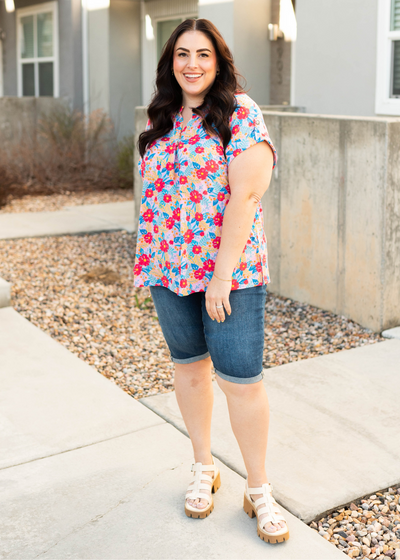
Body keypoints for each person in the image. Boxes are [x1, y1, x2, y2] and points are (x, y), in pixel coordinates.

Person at [134, 18, 289, 544]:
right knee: (190, 370)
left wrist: (220, 277)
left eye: (203, 54)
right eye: (182, 54)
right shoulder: (163, 118)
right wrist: (154, 261)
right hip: (168, 271)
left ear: (219, 61)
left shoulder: (241, 113)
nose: (192, 64)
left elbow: (246, 196)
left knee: (241, 381)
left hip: (232, 274)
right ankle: (203, 466)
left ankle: (259, 488)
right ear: (170, 62)